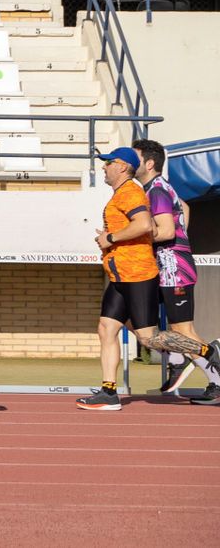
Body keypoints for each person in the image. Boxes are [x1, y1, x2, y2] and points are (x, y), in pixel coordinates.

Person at [77, 147, 159, 412]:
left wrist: (110, 238)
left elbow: (145, 225)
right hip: (120, 274)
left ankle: (208, 352)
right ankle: (109, 392)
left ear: (123, 166)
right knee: (106, 328)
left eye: (108, 163)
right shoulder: (121, 194)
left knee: (148, 339)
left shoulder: (131, 192)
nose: (104, 167)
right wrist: (110, 236)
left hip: (137, 274)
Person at [133, 139, 203, 395]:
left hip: (175, 269)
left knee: (183, 330)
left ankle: (215, 376)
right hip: (162, 268)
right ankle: (176, 357)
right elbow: (183, 207)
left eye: (135, 158)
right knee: (135, 319)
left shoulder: (157, 190)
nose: (130, 163)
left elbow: (166, 231)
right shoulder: (157, 188)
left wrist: (129, 236)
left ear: (149, 164)